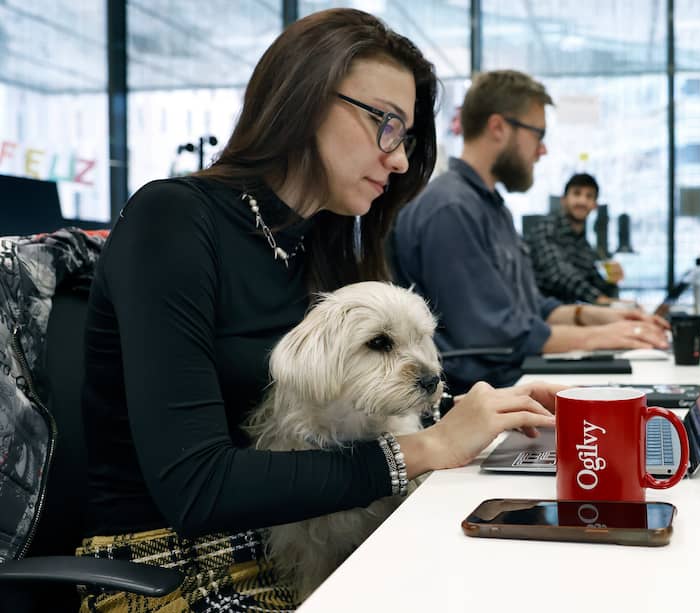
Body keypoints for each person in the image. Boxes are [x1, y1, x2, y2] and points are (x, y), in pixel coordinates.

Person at [77, 10, 559, 612]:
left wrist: (483, 413)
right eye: (386, 123)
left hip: (305, 538)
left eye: (406, 136)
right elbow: (195, 486)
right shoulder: (173, 220)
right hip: (171, 566)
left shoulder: (322, 245)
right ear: (301, 98)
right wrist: (428, 447)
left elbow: (350, 408)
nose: (401, 159)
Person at [393, 70, 669, 395]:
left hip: (515, 379)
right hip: (483, 393)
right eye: (538, 134)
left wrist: (605, 318)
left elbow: (530, 309)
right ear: (498, 127)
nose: (542, 151)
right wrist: (599, 338)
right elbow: (495, 333)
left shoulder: (494, 209)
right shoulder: (451, 210)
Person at [526, 172, 624, 305]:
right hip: (538, 315)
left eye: (589, 196)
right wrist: (598, 299)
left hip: (568, 315)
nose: (582, 201)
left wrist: (612, 282)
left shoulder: (584, 246)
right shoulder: (547, 228)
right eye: (577, 193)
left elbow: (594, 283)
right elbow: (558, 274)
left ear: (594, 205)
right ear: (564, 200)